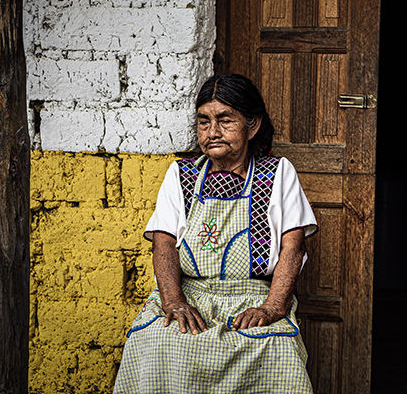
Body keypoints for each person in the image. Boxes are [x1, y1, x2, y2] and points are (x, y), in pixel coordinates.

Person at [113, 74, 317, 393]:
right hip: (190, 292)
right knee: (154, 338)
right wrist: (174, 301)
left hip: (252, 294)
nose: (212, 132)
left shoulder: (279, 173)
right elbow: (163, 244)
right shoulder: (180, 174)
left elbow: (294, 247)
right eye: (204, 121)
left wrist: (272, 307)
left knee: (275, 346)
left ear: (252, 126)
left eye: (225, 120)